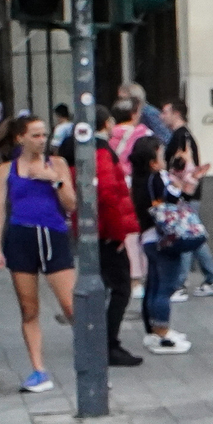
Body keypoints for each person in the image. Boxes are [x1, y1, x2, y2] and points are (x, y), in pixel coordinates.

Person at [0, 115, 79, 394]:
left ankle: (92, 362)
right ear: (20, 138)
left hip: (53, 235)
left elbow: (72, 205)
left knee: (71, 306)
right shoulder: (7, 169)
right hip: (22, 236)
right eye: (36, 135)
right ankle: (38, 370)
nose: (42, 140)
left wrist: (55, 181)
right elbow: (0, 209)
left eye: (44, 135)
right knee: (29, 309)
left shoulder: (57, 164)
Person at [127, 137, 195, 355]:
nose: (165, 158)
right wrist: (181, 183)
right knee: (165, 287)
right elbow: (171, 198)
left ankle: (155, 330)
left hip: (148, 237)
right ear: (152, 162)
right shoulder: (155, 179)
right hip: (162, 238)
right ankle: (162, 333)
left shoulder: (139, 180)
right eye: (160, 154)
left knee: (155, 286)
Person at [152, 103, 213, 300]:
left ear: (176, 113)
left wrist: (176, 187)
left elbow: (181, 165)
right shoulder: (183, 135)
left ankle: (179, 285)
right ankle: (212, 279)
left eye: (165, 112)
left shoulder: (180, 137)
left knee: (183, 234)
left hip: (184, 193)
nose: (161, 116)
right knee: (194, 236)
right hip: (188, 192)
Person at [92, 110, 142, 367]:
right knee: (121, 288)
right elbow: (108, 194)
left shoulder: (93, 150)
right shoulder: (102, 152)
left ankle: (103, 341)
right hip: (108, 233)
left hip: (101, 231)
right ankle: (108, 343)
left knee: (109, 286)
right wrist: (117, 233)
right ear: (106, 123)